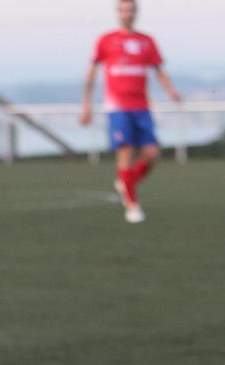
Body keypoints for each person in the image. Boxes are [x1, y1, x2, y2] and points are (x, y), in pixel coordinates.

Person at [80, 0, 181, 224]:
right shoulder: (106, 40)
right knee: (125, 153)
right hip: (118, 108)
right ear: (118, 13)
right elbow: (91, 73)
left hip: (142, 107)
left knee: (152, 154)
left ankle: (126, 182)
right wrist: (86, 104)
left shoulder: (147, 41)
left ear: (136, 13)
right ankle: (132, 205)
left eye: (131, 10)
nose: (127, 14)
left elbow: (159, 71)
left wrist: (171, 91)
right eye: (123, 10)